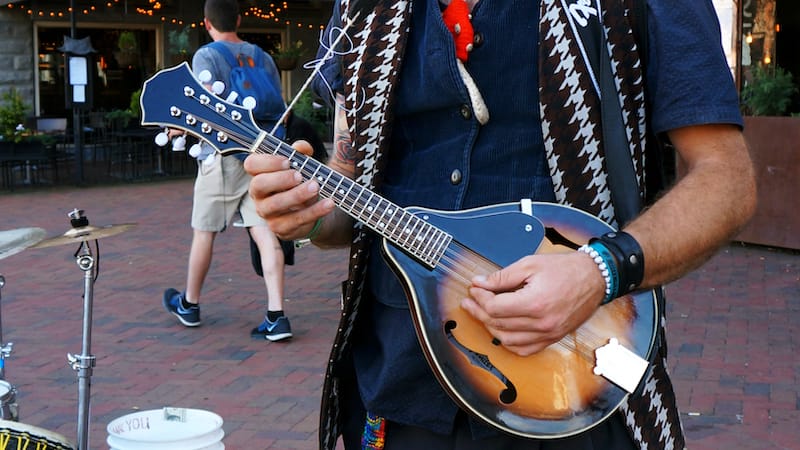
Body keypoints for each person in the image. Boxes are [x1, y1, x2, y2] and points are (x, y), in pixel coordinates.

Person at [245, 0, 757, 448]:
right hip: (401, 384)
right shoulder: (362, 7)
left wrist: (597, 271)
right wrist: (308, 213)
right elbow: (351, 182)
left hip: (578, 383)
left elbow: (727, 180)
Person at [162, 0, 294, 342]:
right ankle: (277, 315)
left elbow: (203, 109)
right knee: (264, 232)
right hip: (264, 153)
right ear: (238, 19)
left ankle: (189, 304)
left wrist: (179, 129)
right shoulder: (262, 56)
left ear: (206, 23)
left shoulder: (206, 55)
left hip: (221, 156)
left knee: (204, 231)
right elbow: (279, 105)